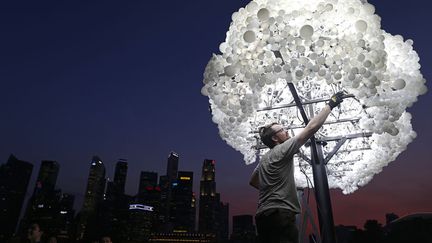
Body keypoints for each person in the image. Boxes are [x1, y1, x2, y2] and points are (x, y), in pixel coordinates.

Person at [249, 91, 345, 243]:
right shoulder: (283, 148)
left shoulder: (264, 159)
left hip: (263, 216)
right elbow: (311, 128)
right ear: (274, 138)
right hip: (280, 214)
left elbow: (253, 181)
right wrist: (331, 104)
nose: (286, 131)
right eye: (282, 130)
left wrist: (272, 189)